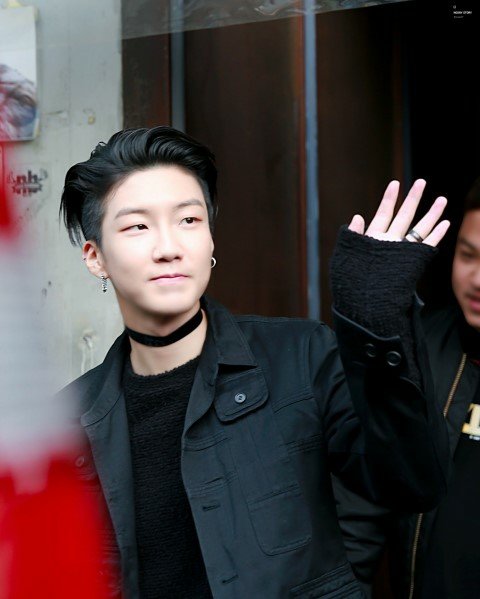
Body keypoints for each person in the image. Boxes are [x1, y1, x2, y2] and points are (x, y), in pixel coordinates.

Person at [58, 126, 450, 599]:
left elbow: (413, 484)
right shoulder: (68, 420)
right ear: (95, 257)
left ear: (210, 239)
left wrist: (377, 320)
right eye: (138, 226)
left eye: (189, 220)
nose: (169, 247)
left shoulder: (300, 356)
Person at [333, 175, 480, 599]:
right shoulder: (419, 350)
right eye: (468, 255)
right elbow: (358, 515)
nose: (477, 278)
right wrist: (374, 325)